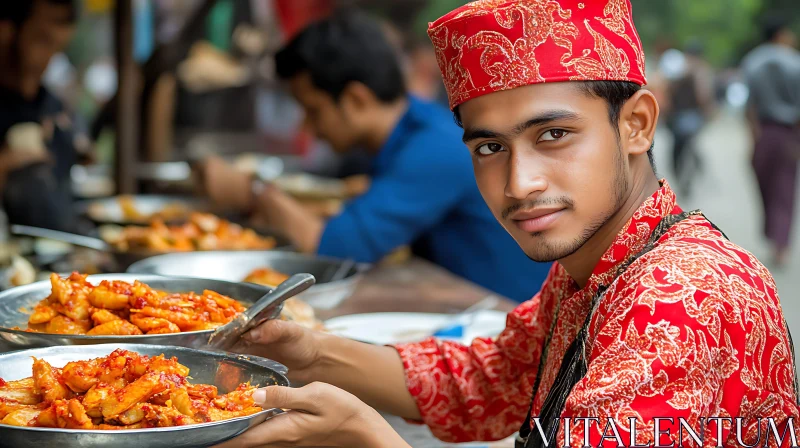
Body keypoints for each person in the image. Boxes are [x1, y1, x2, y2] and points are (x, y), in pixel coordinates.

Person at [216, 1, 799, 447]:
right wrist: (310, 352)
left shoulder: (680, 296)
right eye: (491, 147)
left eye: (554, 135)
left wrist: (368, 435)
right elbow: (489, 376)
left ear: (637, 125)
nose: (520, 184)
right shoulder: (603, 263)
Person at [203, 10, 549, 302]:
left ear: (355, 99)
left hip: (503, 318)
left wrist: (255, 190)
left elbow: (334, 250)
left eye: (313, 110)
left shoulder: (434, 148)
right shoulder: (410, 130)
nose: (309, 127)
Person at [0, 0, 82, 233]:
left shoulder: (51, 106)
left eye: (57, 46)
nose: (49, 57)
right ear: (6, 31)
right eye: (42, 40)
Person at [742, 16, 800, 268]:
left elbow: (750, 105)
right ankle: (780, 242)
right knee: (784, 188)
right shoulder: (795, 62)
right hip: (789, 132)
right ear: (781, 34)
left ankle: (773, 234)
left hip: (763, 132)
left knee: (765, 184)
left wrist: (753, 136)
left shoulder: (752, 61)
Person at [664, 39, 716, 197]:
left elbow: (666, 89)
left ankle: (682, 175)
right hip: (691, 115)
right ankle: (689, 175)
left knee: (678, 148)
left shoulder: (677, 67)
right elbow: (703, 94)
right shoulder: (700, 70)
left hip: (675, 115)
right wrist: (708, 110)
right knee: (689, 146)